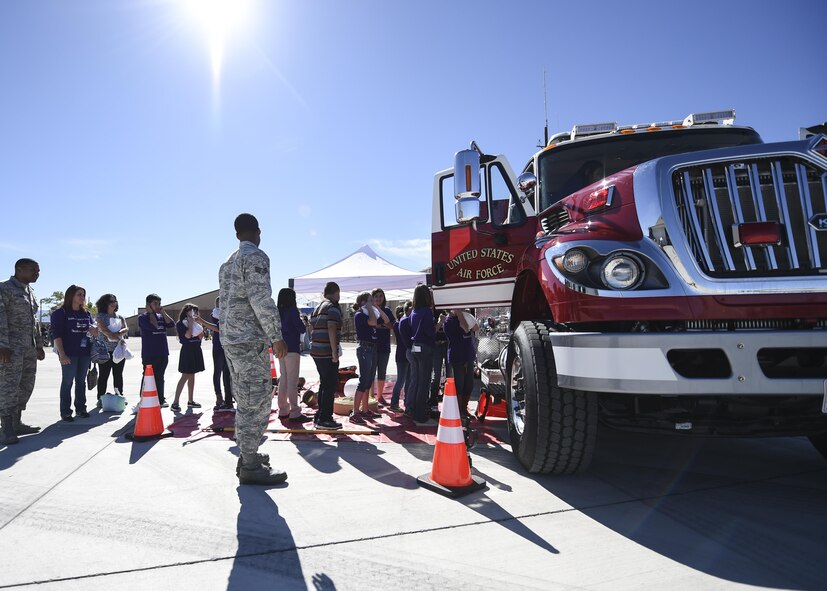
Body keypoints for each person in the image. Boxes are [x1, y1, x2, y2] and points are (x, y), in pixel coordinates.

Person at [219, 213, 289, 485]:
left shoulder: (227, 264)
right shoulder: (255, 257)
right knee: (256, 400)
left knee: (245, 398)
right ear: (258, 232)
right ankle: (249, 464)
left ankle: (249, 453)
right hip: (248, 341)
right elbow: (261, 298)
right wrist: (276, 335)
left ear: (237, 235)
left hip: (232, 341)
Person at [0, 259, 46, 444]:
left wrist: (39, 345)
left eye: (38, 270)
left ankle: (17, 422)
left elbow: (34, 322)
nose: (37, 273)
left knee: (26, 384)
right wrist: (2, 344)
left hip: (28, 348)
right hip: (11, 348)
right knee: (8, 387)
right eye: (33, 270)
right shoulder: (4, 288)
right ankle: (6, 428)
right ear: (19, 270)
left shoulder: (30, 292)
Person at [51, 285, 98, 421]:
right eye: (79, 294)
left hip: (84, 353)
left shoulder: (86, 313)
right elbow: (57, 335)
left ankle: (81, 408)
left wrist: (95, 330)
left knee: (81, 382)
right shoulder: (60, 313)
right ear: (71, 296)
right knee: (67, 382)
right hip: (68, 353)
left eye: (83, 295)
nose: (82, 297)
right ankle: (65, 411)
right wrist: (62, 354)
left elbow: (93, 331)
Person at [309, 281, 343, 430]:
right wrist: (334, 352)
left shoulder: (317, 307)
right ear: (335, 292)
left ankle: (320, 415)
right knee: (329, 385)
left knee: (324, 383)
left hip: (316, 350)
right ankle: (325, 418)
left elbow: (311, 327)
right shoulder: (332, 307)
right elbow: (331, 326)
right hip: (327, 351)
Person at [138, 294, 175, 407]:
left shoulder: (161, 316)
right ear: (148, 304)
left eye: (159, 303)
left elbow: (171, 324)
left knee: (160, 376)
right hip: (149, 353)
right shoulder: (143, 317)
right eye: (155, 303)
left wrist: (163, 312)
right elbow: (153, 326)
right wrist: (150, 312)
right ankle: (143, 398)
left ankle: (160, 399)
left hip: (162, 352)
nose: (158, 306)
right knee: (148, 376)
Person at [276, 288, 307, 422]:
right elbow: (301, 328)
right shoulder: (292, 310)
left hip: (280, 347)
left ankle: (283, 409)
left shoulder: (277, 312)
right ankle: (295, 411)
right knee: (292, 381)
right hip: (292, 347)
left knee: (283, 378)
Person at [171, 303, 206, 413]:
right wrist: (191, 324)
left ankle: (190, 400)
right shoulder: (180, 324)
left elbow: (201, 336)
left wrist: (197, 324)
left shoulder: (196, 323)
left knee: (192, 375)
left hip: (196, 350)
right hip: (187, 351)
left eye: (196, 312)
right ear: (186, 313)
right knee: (186, 375)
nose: (194, 314)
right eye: (192, 312)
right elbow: (188, 335)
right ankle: (175, 402)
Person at [349, 292, 378, 425]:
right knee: (364, 380)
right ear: (363, 302)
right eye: (370, 300)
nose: (373, 302)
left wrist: (372, 307)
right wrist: (370, 307)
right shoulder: (360, 314)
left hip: (371, 348)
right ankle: (355, 412)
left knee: (368, 380)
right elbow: (373, 322)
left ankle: (365, 409)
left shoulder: (366, 313)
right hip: (365, 348)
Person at [94, 293, 128, 406]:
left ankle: (120, 395)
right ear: (105, 304)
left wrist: (117, 334)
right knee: (104, 375)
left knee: (118, 374)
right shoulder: (100, 316)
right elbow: (105, 331)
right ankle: (100, 398)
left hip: (118, 350)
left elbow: (126, 328)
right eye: (111, 302)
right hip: (104, 351)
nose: (114, 304)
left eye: (115, 301)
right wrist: (116, 334)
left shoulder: (120, 317)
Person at [444, 309, 479, 418]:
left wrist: (463, 314)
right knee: (459, 384)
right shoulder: (448, 321)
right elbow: (464, 328)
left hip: (468, 356)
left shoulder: (464, 316)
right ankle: (459, 410)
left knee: (469, 384)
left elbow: (475, 328)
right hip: (458, 357)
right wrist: (460, 314)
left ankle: (464, 408)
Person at [409, 285, 435, 425]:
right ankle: (420, 414)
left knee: (418, 381)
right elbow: (430, 332)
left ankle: (415, 410)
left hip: (415, 347)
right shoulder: (427, 311)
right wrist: (438, 324)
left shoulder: (414, 311)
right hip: (425, 347)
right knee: (424, 382)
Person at [370, 288, 394, 406]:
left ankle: (380, 397)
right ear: (372, 298)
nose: (378, 298)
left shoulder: (387, 310)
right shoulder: (369, 311)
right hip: (372, 346)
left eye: (381, 296)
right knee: (371, 371)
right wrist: (381, 325)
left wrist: (382, 325)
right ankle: (370, 397)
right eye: (376, 296)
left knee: (382, 372)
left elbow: (391, 325)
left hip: (384, 346)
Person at [210, 297, 233, 411]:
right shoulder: (215, 313)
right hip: (218, 347)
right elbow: (219, 327)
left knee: (227, 374)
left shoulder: (227, 313)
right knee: (218, 372)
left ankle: (229, 399)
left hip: (227, 346)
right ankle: (219, 396)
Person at [388, 304, 410, 413]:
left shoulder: (399, 324)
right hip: (402, 354)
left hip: (403, 354)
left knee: (407, 380)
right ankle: (394, 403)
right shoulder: (399, 324)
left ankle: (406, 402)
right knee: (401, 380)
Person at [429, 309, 451, 409]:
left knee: (450, 374)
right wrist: (440, 321)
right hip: (436, 345)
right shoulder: (431, 313)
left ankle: (450, 400)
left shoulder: (449, 312)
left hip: (448, 345)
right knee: (436, 374)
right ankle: (433, 400)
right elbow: (432, 331)